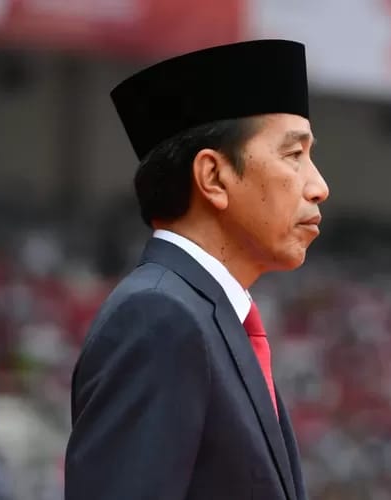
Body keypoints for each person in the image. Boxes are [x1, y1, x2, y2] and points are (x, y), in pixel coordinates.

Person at [64, 39, 329, 500]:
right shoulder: (159, 316)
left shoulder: (204, 316)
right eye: (293, 155)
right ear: (213, 177)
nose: (319, 186)